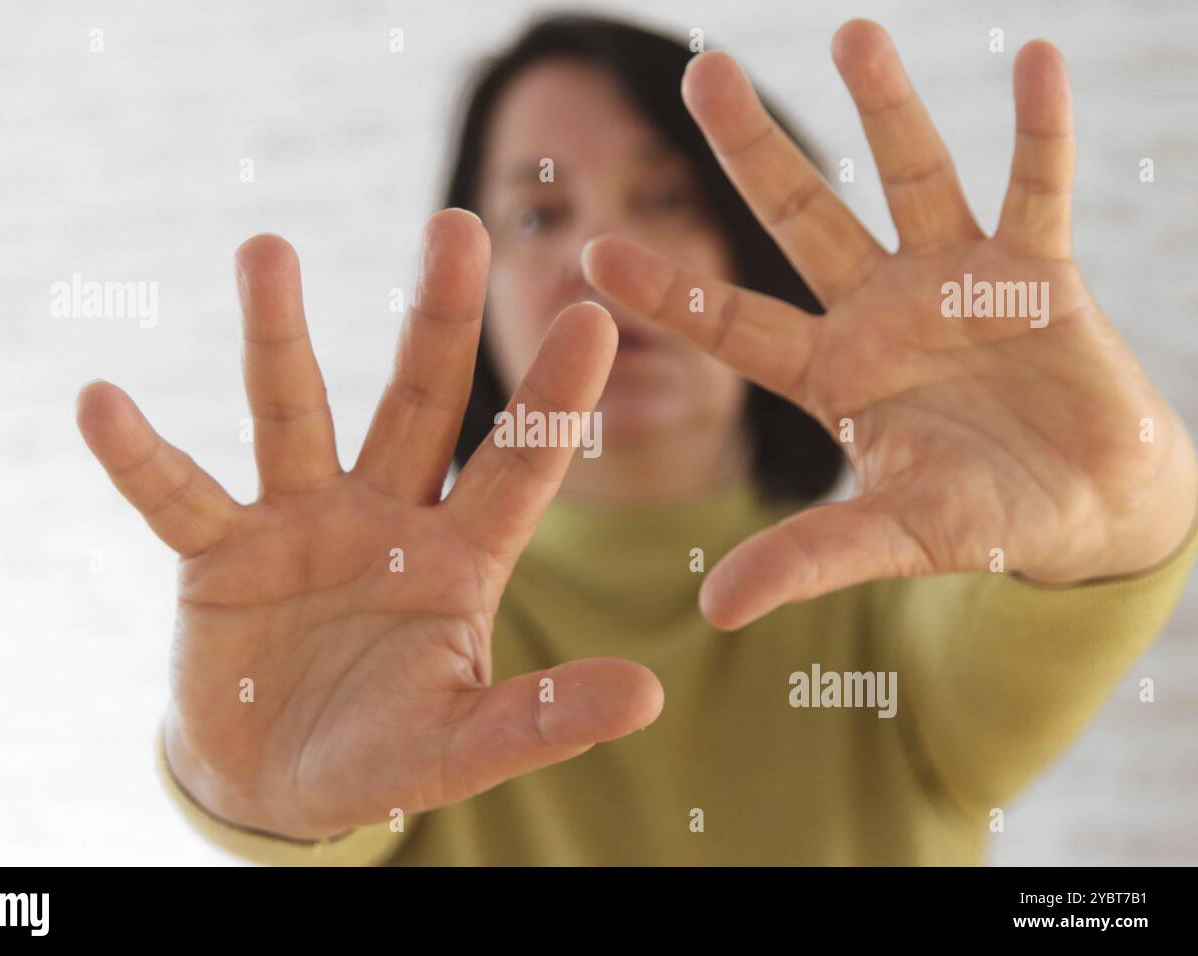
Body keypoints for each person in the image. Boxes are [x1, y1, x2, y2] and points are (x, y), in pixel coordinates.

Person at [76, 15, 1198, 864]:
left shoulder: (899, 617)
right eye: (537, 213)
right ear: (477, 291)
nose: (598, 252)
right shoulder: (385, 632)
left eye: (666, 197)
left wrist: (1116, 500)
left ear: (753, 247)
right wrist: (240, 774)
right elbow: (300, 782)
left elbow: (1070, 582)